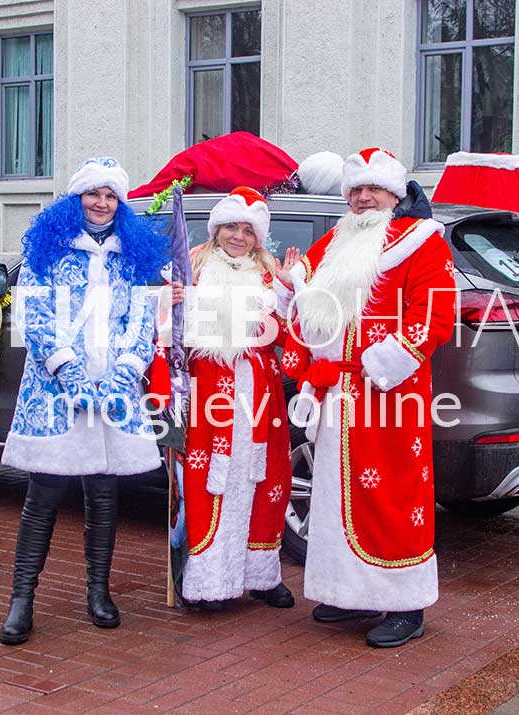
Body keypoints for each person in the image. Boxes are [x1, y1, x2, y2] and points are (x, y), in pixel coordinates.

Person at [279, 148, 457, 648]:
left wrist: (384, 362)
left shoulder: (423, 243)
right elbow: (306, 300)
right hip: (338, 395)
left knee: (393, 495)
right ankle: (348, 590)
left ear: (394, 194)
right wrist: (287, 284)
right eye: (356, 190)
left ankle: (406, 605)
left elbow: (435, 315)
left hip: (389, 395)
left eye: (373, 189)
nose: (363, 198)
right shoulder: (335, 240)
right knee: (336, 494)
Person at [0, 157, 169, 644]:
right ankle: (21, 600)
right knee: (43, 495)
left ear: (121, 202)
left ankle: (98, 592)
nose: (101, 203)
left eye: (110, 195)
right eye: (93, 194)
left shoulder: (131, 256)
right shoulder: (47, 253)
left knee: (104, 492)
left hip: (112, 392)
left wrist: (123, 376)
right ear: (77, 199)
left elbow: (140, 322)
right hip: (55, 392)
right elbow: (36, 317)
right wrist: (68, 370)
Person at [178, 187, 301, 609]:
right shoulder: (191, 267)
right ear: (216, 229)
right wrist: (169, 303)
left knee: (266, 478)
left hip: (260, 391)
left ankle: (261, 576)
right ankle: (210, 581)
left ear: (258, 236)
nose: (238, 236)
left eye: (248, 230)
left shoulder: (269, 275)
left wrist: (292, 292)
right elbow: (167, 335)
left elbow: (289, 335)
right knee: (210, 479)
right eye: (231, 226)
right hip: (210, 390)